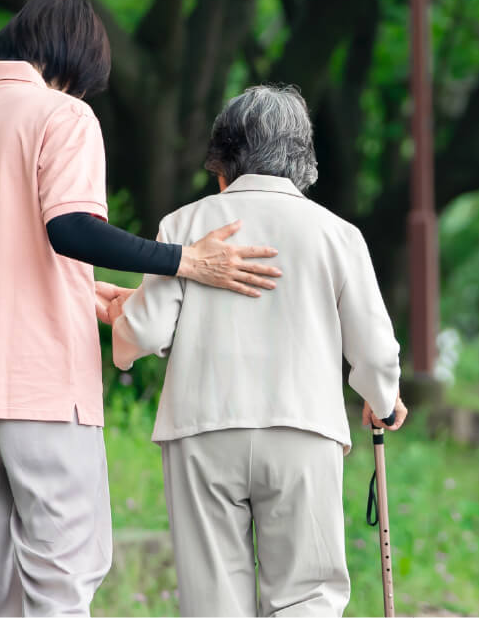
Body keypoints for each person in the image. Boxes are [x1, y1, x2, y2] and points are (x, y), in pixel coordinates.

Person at [0, 0, 283, 616]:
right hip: (41, 387)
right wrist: (184, 260)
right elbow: (69, 227)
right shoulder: (62, 116)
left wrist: (78, 291)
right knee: (63, 572)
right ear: (74, 63)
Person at [108, 84, 407, 617]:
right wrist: (382, 400)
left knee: (213, 600)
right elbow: (377, 351)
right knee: (306, 596)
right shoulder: (337, 234)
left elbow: (146, 331)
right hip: (303, 429)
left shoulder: (185, 223)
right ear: (304, 164)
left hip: (201, 429)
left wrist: (118, 329)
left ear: (223, 158)